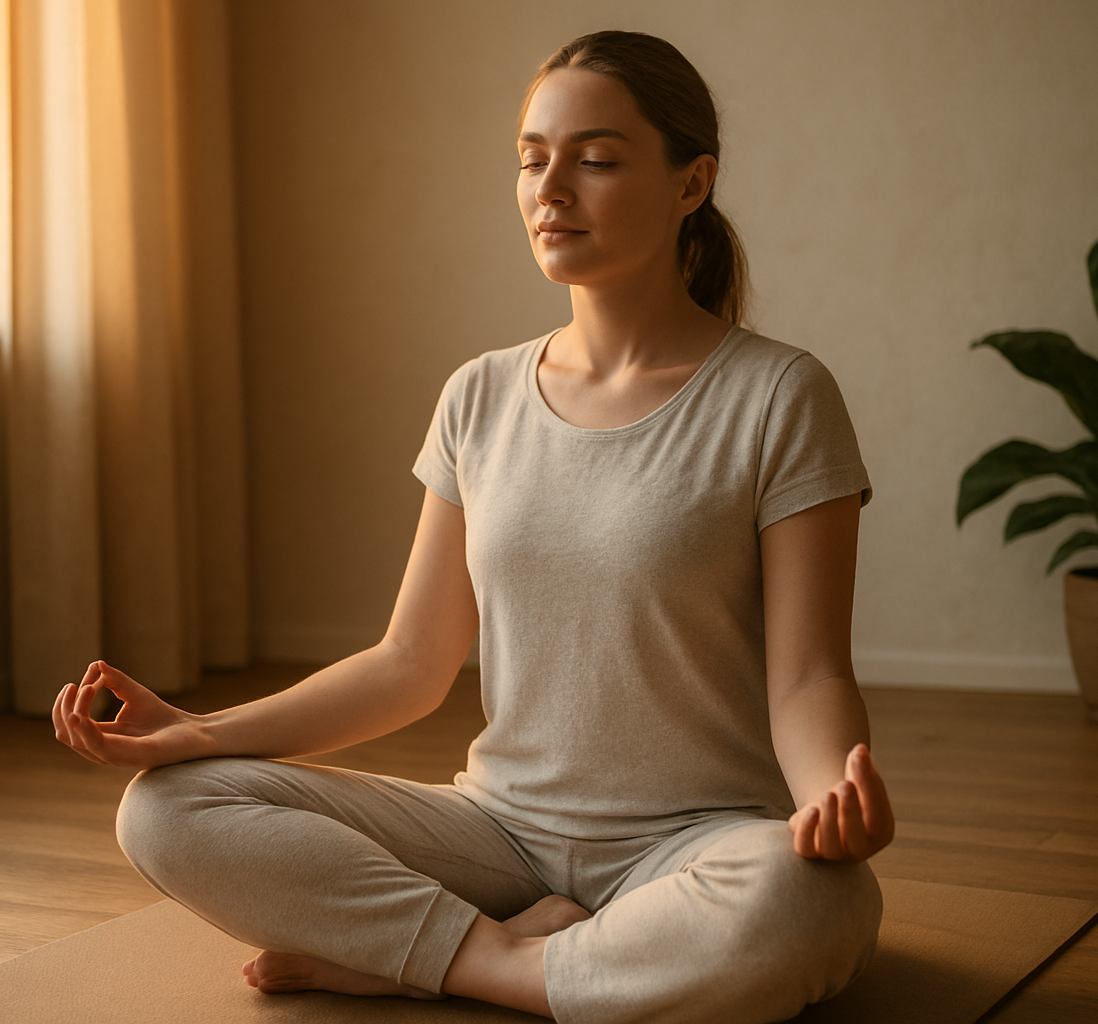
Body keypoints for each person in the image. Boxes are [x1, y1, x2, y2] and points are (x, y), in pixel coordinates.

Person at [52, 29, 894, 1024]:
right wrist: (202, 731)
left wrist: (831, 798)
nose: (552, 188)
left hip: (695, 840)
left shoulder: (780, 395)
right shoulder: (480, 395)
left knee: (816, 898)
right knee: (167, 806)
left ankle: (433, 957)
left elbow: (808, 675)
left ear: (690, 183)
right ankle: (503, 953)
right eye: (533, 158)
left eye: (597, 159)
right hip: (499, 835)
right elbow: (410, 660)